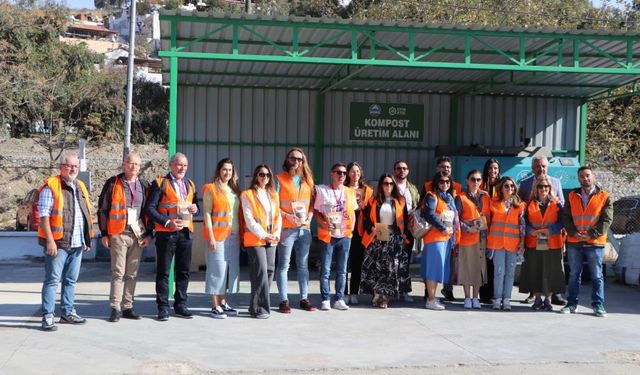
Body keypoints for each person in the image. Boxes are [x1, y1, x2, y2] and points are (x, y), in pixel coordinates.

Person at [39, 151, 94, 331]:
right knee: (52, 280)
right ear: (61, 167)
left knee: (71, 280)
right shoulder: (52, 186)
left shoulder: (80, 186)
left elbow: (84, 214)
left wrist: (86, 238)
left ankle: (67, 312)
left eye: (75, 166)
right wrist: (50, 241)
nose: (72, 169)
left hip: (77, 243)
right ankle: (48, 315)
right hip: (58, 243)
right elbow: (44, 216)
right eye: (69, 165)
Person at [98, 152, 152, 323]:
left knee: (132, 273)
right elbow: (103, 210)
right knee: (118, 272)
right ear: (123, 164)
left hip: (137, 235)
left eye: (137, 164)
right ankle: (115, 307)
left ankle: (128, 306)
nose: (133, 166)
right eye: (130, 163)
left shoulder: (143, 185)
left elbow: (147, 212)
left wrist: (149, 234)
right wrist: (105, 233)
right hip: (118, 234)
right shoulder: (113, 183)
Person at [145, 152, 199, 321]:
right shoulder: (160, 183)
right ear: (171, 165)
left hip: (185, 233)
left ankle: (181, 304)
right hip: (166, 234)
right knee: (163, 272)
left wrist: (195, 209)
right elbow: (150, 208)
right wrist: (167, 222)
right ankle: (163, 307)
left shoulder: (190, 184)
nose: (181, 168)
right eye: (178, 164)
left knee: (183, 271)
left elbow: (195, 205)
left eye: (185, 165)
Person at [560, 166, 612, 317]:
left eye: (588, 175)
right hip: (575, 241)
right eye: (582, 176)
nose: (585, 178)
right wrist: (573, 233)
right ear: (578, 178)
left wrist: (591, 234)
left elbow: (607, 219)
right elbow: (566, 217)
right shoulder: (571, 195)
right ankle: (571, 304)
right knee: (574, 274)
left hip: (594, 242)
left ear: (593, 176)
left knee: (597, 275)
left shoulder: (604, 196)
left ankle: (598, 305)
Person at [518, 156, 566, 305]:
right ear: (533, 168)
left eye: (544, 166)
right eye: (538, 166)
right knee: (535, 268)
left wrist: (550, 230)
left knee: (552, 269)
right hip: (533, 239)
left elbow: (562, 212)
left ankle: (552, 297)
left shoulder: (556, 185)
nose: (541, 169)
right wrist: (530, 230)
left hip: (552, 240)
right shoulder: (525, 185)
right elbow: (521, 212)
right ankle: (535, 295)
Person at [274, 148, 316, 313]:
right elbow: (274, 204)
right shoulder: (279, 179)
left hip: (304, 229)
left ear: (303, 161)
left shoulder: (308, 181)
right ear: (287, 160)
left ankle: (304, 298)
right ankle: (283, 300)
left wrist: (310, 218)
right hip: (286, 229)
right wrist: (286, 215)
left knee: (303, 266)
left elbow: (313, 204)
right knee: (284, 265)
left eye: (299, 159)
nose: (296, 162)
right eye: (293, 158)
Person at [359, 174, 410, 308]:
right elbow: (366, 220)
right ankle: (376, 294)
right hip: (377, 237)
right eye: (385, 183)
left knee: (390, 269)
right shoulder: (373, 200)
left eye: (391, 183)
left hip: (393, 238)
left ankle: (385, 297)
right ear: (381, 185)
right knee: (376, 267)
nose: (388, 186)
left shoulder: (400, 201)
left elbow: (405, 220)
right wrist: (372, 229)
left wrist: (404, 236)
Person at [201, 158, 241, 319]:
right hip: (217, 236)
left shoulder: (234, 190)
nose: (227, 173)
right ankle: (214, 305)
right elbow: (207, 213)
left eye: (230, 170)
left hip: (234, 236)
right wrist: (210, 235)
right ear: (219, 170)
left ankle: (223, 303)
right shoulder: (211, 189)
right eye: (225, 169)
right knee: (216, 270)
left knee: (228, 271)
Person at [314, 163, 357, 311]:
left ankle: (339, 298)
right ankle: (325, 299)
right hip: (328, 235)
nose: (342, 175)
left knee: (342, 270)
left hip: (345, 236)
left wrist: (351, 231)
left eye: (344, 173)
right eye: (338, 172)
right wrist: (323, 225)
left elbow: (353, 213)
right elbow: (317, 213)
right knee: (325, 269)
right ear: (332, 174)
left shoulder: (350, 192)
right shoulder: (323, 190)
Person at [241, 165, 282, 319]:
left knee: (270, 270)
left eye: (267, 175)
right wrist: (265, 235)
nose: (264, 177)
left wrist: (276, 234)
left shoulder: (273, 194)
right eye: (261, 174)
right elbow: (249, 219)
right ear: (256, 176)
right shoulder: (248, 194)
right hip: (256, 238)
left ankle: (254, 305)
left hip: (272, 237)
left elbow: (278, 216)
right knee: (261, 271)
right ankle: (262, 308)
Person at [422, 156, 461, 302]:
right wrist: (443, 228)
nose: (444, 184)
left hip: (446, 238)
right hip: (435, 237)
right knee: (433, 270)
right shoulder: (432, 196)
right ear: (436, 182)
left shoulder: (449, 198)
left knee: (439, 269)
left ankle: (433, 297)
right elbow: (429, 214)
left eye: (447, 181)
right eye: (441, 181)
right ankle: (431, 299)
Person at [487, 177, 525, 311]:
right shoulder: (493, 203)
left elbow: (522, 227)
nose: (510, 189)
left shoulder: (520, 205)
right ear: (501, 188)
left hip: (513, 244)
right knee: (499, 272)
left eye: (512, 186)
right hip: (497, 244)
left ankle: (507, 299)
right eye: (507, 186)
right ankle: (497, 299)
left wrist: (522, 243)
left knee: (510, 273)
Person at [455, 170, 490, 309]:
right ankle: (467, 297)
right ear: (467, 181)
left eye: (478, 179)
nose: (475, 182)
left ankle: (476, 297)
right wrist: (467, 228)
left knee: (478, 268)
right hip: (467, 237)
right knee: (467, 267)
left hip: (482, 237)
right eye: (473, 179)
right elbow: (455, 219)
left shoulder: (485, 196)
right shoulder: (461, 198)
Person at [344, 161, 373, 306]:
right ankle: (343, 293)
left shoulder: (367, 190)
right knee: (343, 263)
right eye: (352, 171)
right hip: (344, 229)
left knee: (357, 263)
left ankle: (354, 292)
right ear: (347, 174)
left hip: (360, 231)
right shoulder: (342, 189)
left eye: (357, 171)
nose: (355, 174)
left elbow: (372, 210)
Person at [392, 160, 420, 302]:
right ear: (394, 170)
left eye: (404, 168)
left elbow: (417, 205)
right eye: (398, 168)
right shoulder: (389, 185)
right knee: (390, 260)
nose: (401, 171)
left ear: (408, 171)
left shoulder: (412, 189)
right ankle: (389, 290)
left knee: (405, 260)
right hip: (392, 227)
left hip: (408, 229)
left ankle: (404, 291)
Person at [479, 158, 501, 304]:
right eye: (490, 168)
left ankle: (494, 293)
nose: (493, 171)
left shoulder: (502, 186)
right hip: (482, 229)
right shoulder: (480, 185)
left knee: (495, 263)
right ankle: (484, 294)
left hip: (498, 230)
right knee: (483, 262)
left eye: (495, 168)